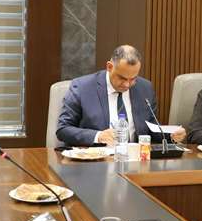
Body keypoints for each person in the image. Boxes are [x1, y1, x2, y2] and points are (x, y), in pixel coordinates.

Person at [56, 45, 186, 146]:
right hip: (95, 161)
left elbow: (149, 129)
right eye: (122, 78)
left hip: (135, 162)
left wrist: (171, 136)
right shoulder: (82, 87)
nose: (127, 84)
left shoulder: (145, 88)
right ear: (109, 67)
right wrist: (98, 136)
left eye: (133, 79)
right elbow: (63, 129)